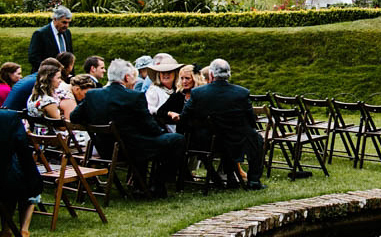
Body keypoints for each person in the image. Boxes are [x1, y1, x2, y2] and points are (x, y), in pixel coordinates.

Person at [70, 59, 185, 198]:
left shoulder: (93, 95)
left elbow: (74, 117)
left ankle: (141, 184)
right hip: (131, 149)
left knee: (152, 141)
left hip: (104, 148)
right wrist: (161, 132)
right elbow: (150, 127)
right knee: (176, 139)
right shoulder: (134, 97)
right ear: (126, 77)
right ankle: (157, 184)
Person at [175, 59, 265, 190]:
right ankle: (254, 181)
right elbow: (251, 120)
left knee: (200, 135)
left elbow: (184, 118)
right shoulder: (242, 93)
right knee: (256, 138)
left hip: (208, 143)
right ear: (229, 75)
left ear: (211, 75)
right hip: (237, 142)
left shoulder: (198, 93)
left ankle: (220, 177)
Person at [0, 109, 41, 237]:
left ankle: (6, 231)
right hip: (6, 182)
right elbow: (24, 152)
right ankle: (23, 232)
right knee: (28, 187)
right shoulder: (9, 117)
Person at [28, 6, 72, 71]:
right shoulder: (40, 34)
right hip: (46, 76)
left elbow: (70, 56)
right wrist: (50, 71)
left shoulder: (67, 33)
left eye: (69, 23)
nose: (67, 26)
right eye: (64, 22)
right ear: (55, 19)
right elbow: (33, 58)